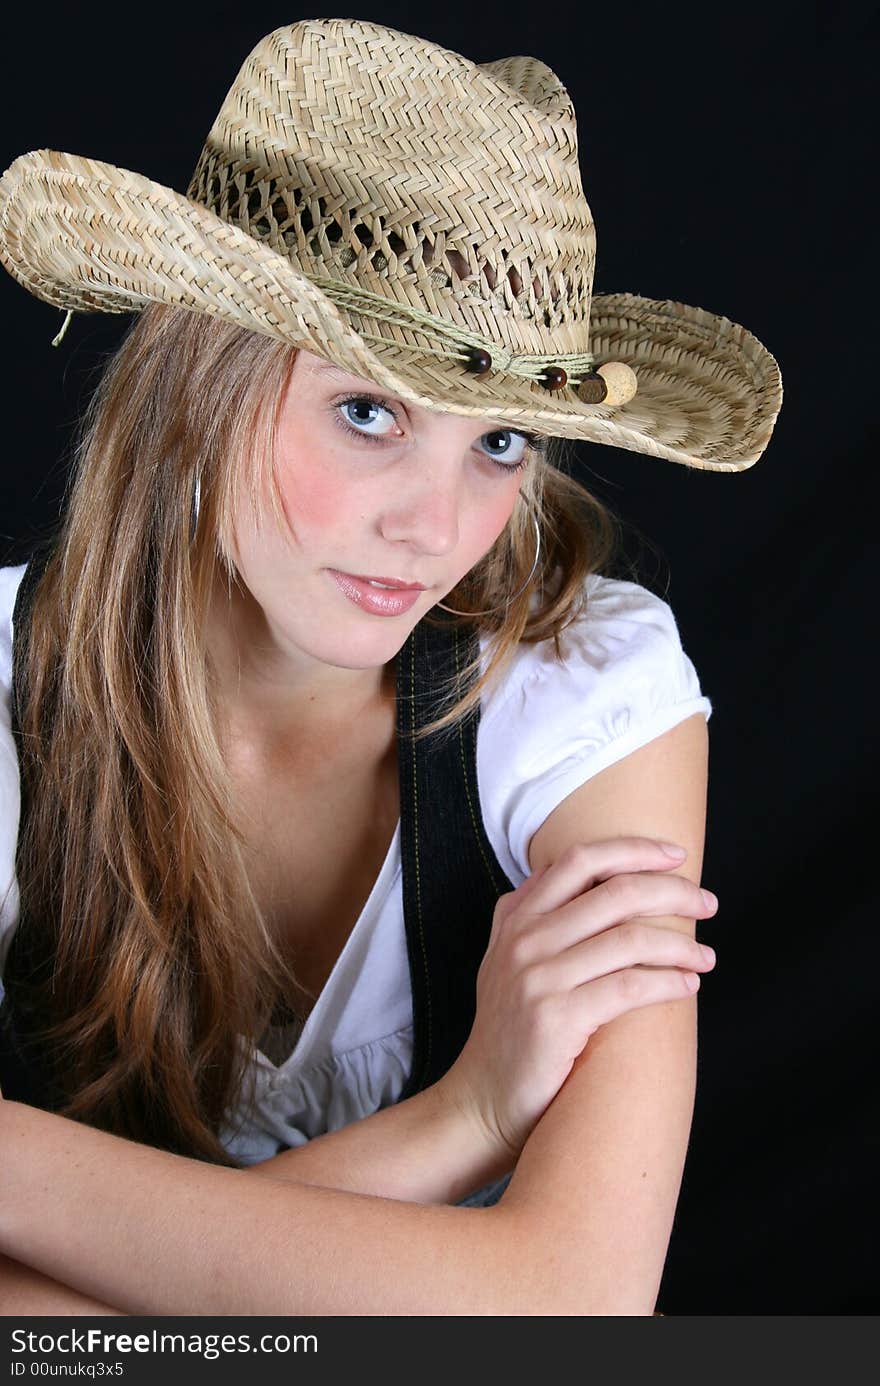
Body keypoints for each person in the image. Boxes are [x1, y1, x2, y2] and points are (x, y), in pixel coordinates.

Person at [0, 17, 782, 1315]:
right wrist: (460, 1119)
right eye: (369, 411)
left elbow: (573, 1300)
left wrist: (13, 1174)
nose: (437, 529)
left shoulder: (583, 686)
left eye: (500, 444)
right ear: (198, 374)